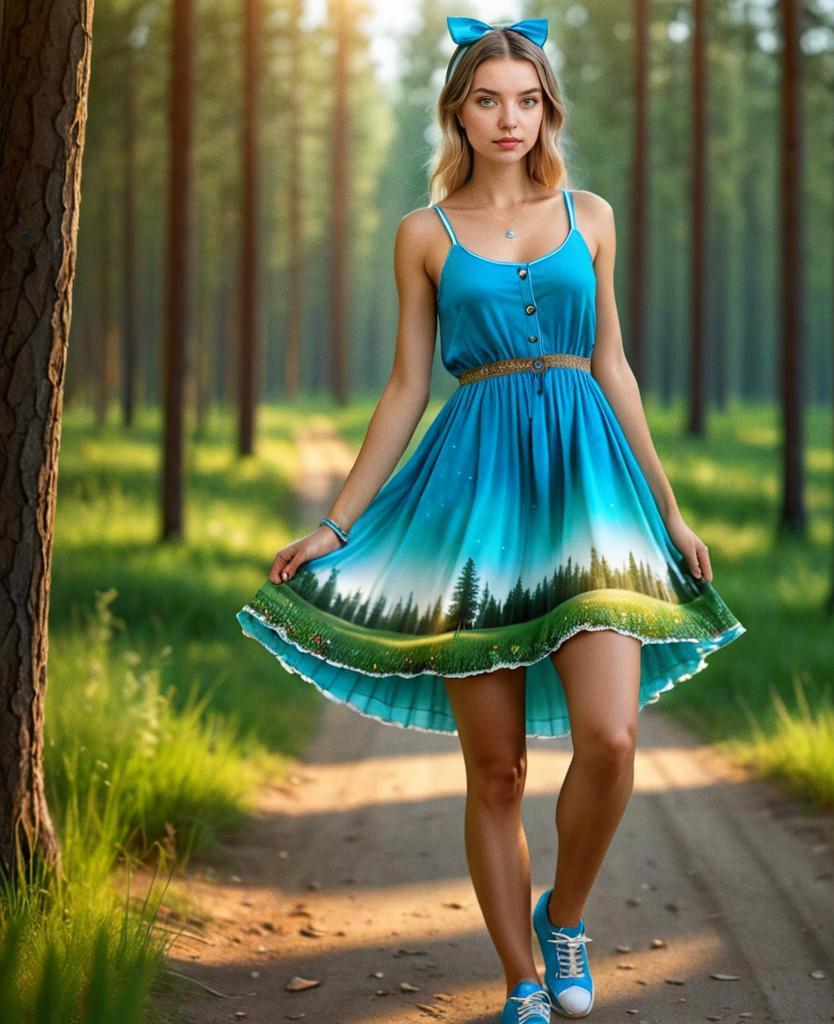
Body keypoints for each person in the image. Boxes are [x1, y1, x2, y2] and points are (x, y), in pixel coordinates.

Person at [236, 15, 746, 1024]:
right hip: (472, 504)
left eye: (525, 98)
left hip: (589, 493)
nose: (507, 118)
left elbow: (614, 368)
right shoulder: (422, 233)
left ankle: (567, 914)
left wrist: (670, 510)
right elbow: (403, 389)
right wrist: (339, 521)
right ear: (457, 112)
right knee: (497, 767)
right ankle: (521, 981)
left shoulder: (588, 215)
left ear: (545, 108)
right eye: (486, 99)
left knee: (610, 733)